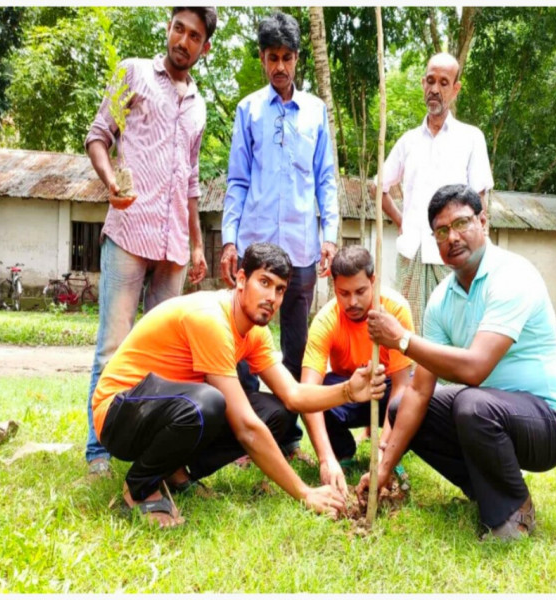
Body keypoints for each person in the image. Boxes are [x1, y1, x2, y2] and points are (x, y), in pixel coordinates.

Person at [92, 243, 386, 528]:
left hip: (165, 409)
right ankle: (140, 488)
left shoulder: (255, 332)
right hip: (120, 411)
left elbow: (294, 395)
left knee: (279, 413)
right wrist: (304, 492)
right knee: (210, 403)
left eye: (280, 289)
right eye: (264, 283)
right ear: (242, 279)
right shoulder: (210, 318)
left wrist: (348, 390)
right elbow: (246, 426)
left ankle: (174, 472)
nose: (271, 297)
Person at [363, 184, 556, 540]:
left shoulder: (512, 275)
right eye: (441, 231)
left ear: (483, 222)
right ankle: (486, 491)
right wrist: (383, 468)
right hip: (493, 414)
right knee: (403, 406)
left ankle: (514, 512)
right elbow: (419, 391)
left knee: (472, 404)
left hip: (548, 422)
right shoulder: (441, 300)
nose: (452, 237)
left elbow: (475, 369)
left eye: (462, 223)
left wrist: (402, 339)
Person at [82, 7, 217, 479]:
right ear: (168, 28)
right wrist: (110, 182)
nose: (183, 40)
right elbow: (98, 136)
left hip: (174, 246)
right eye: (179, 29)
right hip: (129, 229)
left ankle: (153, 453)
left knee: (166, 357)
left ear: (204, 47)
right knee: (114, 347)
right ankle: (98, 451)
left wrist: (197, 245)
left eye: (194, 36)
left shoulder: (199, 105)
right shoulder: (133, 74)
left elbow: (191, 180)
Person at [220, 10, 339, 454]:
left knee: (296, 346)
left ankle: (288, 438)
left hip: (302, 249)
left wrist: (330, 235)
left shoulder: (316, 112)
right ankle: (244, 435)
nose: (280, 67)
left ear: (297, 59)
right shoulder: (248, 110)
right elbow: (237, 180)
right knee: (244, 341)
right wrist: (229, 239)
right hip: (254, 249)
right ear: (262, 58)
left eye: (287, 58)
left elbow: (326, 179)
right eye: (272, 58)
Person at [380, 52, 493, 334]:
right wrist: (401, 221)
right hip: (412, 254)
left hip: (455, 254)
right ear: (423, 84)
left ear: (456, 89)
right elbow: (378, 187)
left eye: (444, 83)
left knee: (456, 331)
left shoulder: (471, 138)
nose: (435, 89)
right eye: (430, 81)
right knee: (407, 333)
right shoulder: (408, 141)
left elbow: (480, 201)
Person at [300, 246, 414, 495]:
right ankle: (342, 453)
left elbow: (402, 384)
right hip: (349, 391)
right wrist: (325, 458)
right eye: (344, 293)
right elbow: (306, 394)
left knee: (413, 397)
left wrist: (384, 452)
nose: (352, 302)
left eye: (360, 291)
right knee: (320, 392)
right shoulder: (325, 320)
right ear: (334, 288)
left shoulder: (395, 309)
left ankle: (393, 452)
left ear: (373, 281)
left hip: (388, 390)